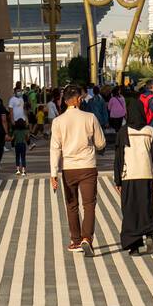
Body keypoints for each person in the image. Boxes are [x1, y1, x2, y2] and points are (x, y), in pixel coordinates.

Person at [50, 83, 106, 253]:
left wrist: (53, 174)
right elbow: (101, 143)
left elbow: (55, 148)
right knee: (89, 204)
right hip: (88, 166)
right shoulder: (90, 118)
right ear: (78, 99)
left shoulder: (58, 121)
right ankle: (87, 238)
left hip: (69, 168)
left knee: (71, 205)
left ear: (65, 100)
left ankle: (75, 240)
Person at [114, 96, 153, 254]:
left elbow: (119, 159)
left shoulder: (123, 132)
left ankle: (134, 246)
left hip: (128, 176)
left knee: (130, 210)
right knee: (146, 206)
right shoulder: (150, 131)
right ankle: (149, 236)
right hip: (145, 176)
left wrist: (117, 180)